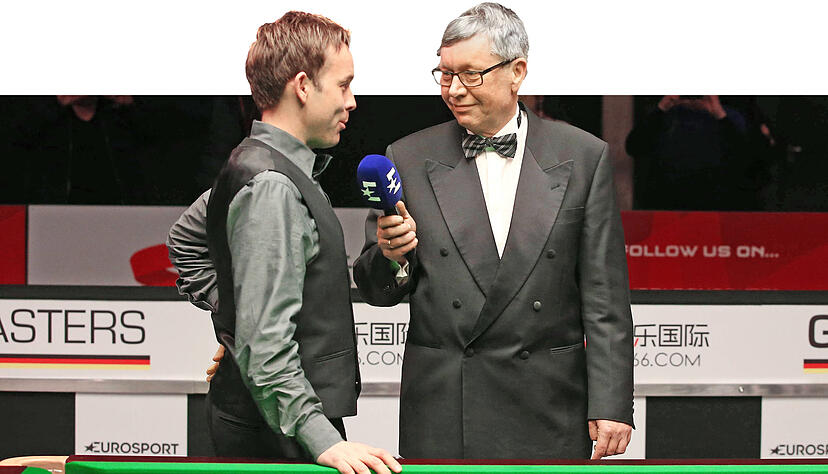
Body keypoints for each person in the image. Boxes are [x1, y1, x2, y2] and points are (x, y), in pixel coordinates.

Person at [352, 2, 634, 460]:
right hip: (446, 408)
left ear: (517, 71)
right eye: (445, 75)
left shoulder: (583, 156)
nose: (455, 90)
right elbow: (378, 291)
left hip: (549, 402)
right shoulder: (407, 157)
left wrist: (611, 401)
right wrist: (390, 256)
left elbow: (605, 297)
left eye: (470, 75)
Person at [167, 12, 401, 474]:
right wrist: (322, 440)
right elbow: (266, 344)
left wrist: (237, 319)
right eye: (343, 85)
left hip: (275, 419)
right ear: (302, 86)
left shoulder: (257, 162)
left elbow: (184, 239)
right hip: (279, 432)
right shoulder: (272, 184)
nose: (352, 101)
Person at [625, 95, 754, 210]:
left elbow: (745, 160)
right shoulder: (663, 116)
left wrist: (719, 114)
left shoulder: (729, 117)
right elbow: (634, 147)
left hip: (715, 203)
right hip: (667, 204)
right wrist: (662, 107)